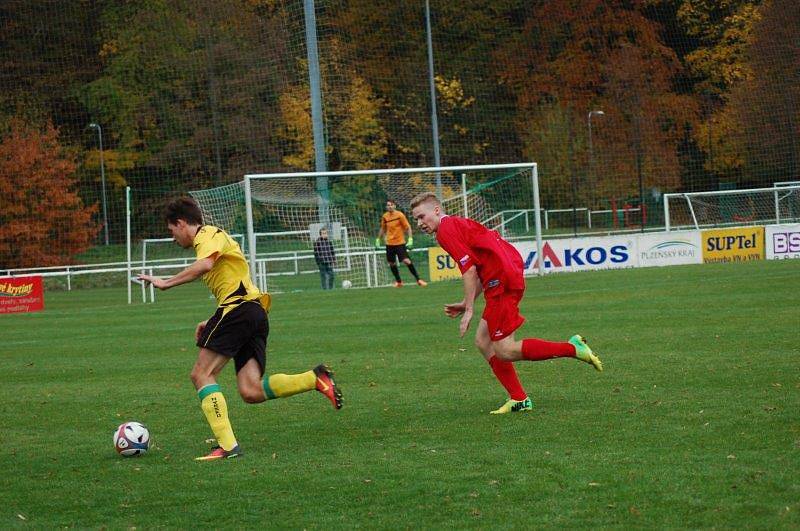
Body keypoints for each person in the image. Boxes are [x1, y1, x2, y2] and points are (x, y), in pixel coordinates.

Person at [138, 197, 343, 461]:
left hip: (240, 311)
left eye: (172, 231)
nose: (173, 238)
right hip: (252, 312)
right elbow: (231, 284)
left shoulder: (207, 235)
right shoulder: (213, 239)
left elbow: (206, 265)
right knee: (251, 391)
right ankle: (315, 378)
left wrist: (166, 282)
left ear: (180, 223)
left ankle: (227, 446)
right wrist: (212, 320)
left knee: (201, 374)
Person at [409, 192, 602, 414]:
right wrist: (466, 301)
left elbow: (469, 270)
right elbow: (481, 267)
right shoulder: (455, 224)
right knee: (483, 341)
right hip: (502, 275)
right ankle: (519, 399)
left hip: (501, 281)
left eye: (422, 217)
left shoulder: (446, 231)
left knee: (505, 350)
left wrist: (470, 309)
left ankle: (572, 348)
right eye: (416, 219)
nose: (419, 223)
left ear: (436, 210)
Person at [375, 199, 427, 287]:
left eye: (391, 205)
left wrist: (410, 240)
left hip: (399, 243)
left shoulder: (399, 215)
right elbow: (383, 228)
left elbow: (408, 227)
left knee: (406, 261)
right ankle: (399, 282)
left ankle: (419, 280)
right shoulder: (385, 216)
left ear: (394, 206)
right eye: (388, 205)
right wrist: (378, 239)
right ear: (386, 207)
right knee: (391, 263)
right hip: (389, 244)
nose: (390, 206)